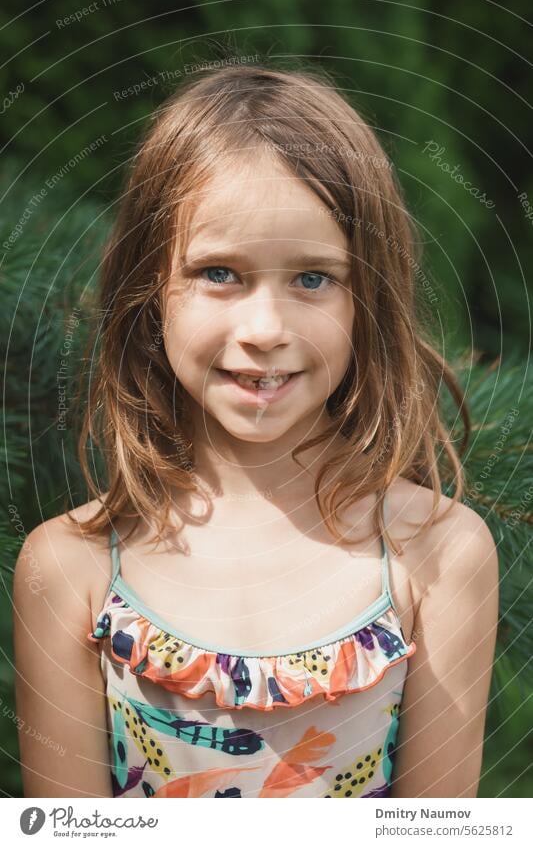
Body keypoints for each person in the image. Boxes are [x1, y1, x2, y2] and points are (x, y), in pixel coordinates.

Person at [13, 63, 499, 799]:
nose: (264, 329)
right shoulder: (68, 568)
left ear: (367, 296)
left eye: (312, 278)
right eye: (219, 273)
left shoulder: (439, 558)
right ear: (151, 292)